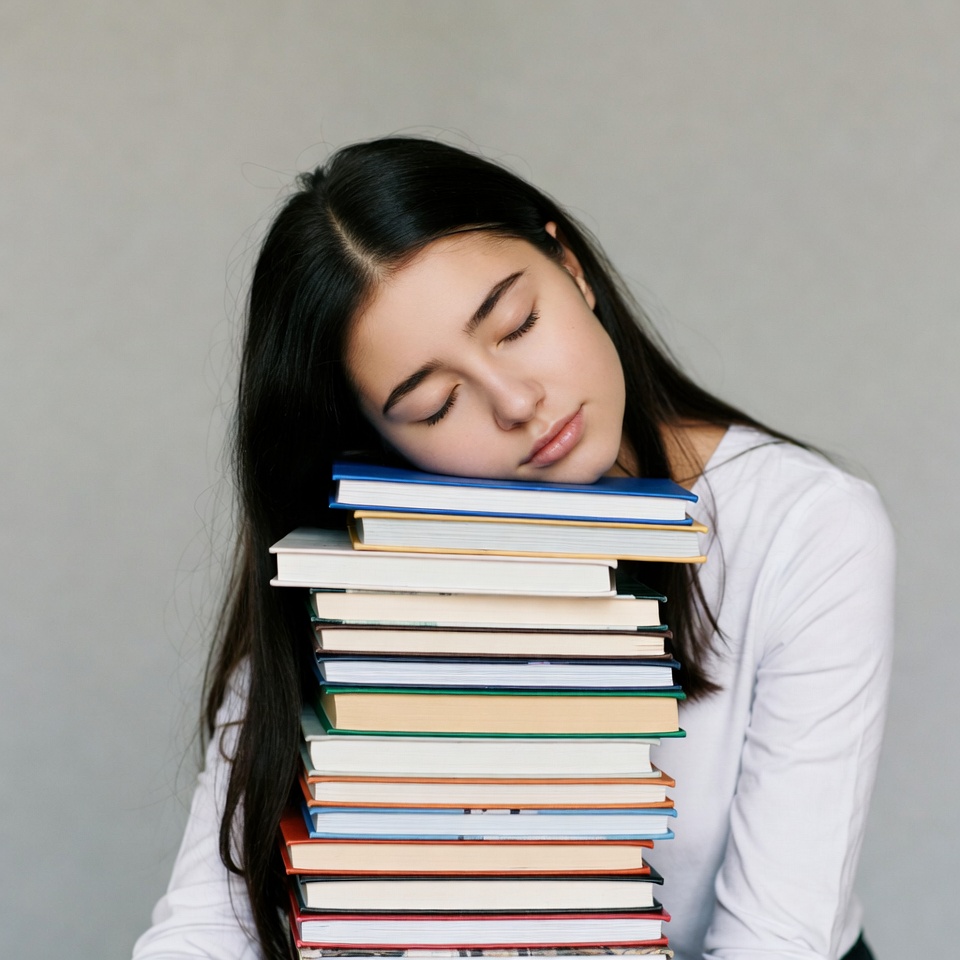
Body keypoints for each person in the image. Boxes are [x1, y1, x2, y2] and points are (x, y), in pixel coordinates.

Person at [132, 137, 893, 960]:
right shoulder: (344, 563)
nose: (519, 402)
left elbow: (776, 942)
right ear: (377, 440)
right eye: (433, 404)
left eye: (516, 324)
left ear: (570, 267)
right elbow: (207, 923)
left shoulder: (805, 526)